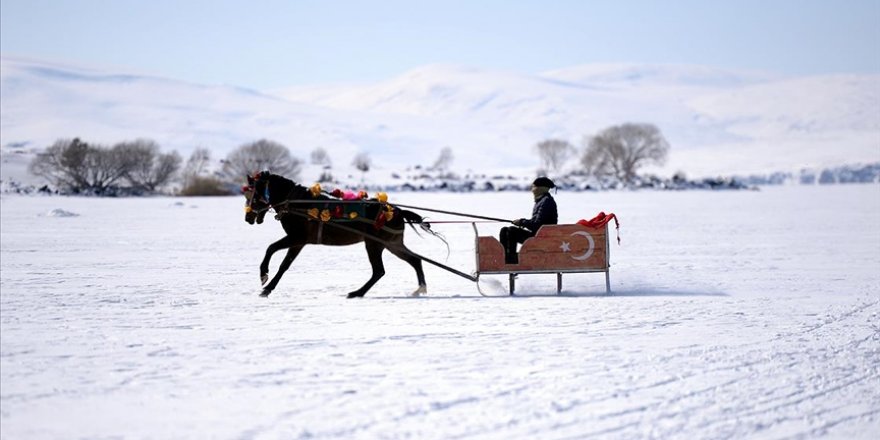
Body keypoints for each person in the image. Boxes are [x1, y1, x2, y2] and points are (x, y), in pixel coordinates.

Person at [500, 176, 558, 264]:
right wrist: (522, 222)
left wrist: (521, 222)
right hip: (538, 234)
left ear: (540, 188)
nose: (532, 190)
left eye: (534, 187)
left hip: (541, 238)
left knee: (511, 232)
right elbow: (537, 222)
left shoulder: (546, 202)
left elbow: (537, 224)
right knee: (505, 230)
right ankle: (506, 258)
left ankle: (511, 260)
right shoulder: (541, 201)